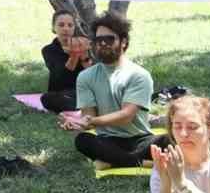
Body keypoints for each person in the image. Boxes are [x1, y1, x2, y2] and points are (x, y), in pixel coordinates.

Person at [60, 10, 169, 168]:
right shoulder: (85, 77)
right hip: (107, 139)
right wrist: (78, 123)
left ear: (123, 42)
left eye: (109, 39)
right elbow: (88, 117)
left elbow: (126, 116)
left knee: (171, 140)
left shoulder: (139, 75)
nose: (103, 43)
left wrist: (90, 121)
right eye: (99, 40)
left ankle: (111, 160)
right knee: (83, 140)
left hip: (139, 139)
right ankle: (139, 162)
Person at [39, 9, 91, 113]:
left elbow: (91, 74)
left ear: (74, 28)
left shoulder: (83, 44)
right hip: (61, 92)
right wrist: (74, 55)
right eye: (61, 25)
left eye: (70, 25)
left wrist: (84, 55)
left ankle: (86, 105)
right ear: (54, 28)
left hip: (81, 91)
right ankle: (87, 107)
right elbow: (61, 75)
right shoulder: (48, 50)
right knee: (46, 98)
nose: (66, 29)